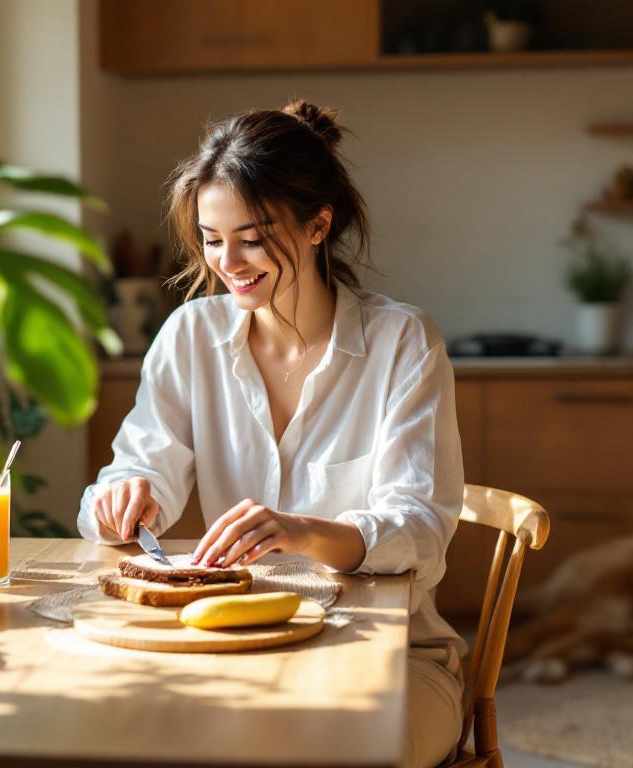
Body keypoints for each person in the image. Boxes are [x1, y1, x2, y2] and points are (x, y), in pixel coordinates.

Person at [77, 100, 466, 768]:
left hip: (393, 657)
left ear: (318, 225)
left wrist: (303, 531)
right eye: (212, 237)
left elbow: (420, 529)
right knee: (111, 732)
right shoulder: (189, 337)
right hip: (235, 648)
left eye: (253, 237)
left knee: (324, 752)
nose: (230, 261)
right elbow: (133, 478)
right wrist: (123, 499)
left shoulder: (402, 342)